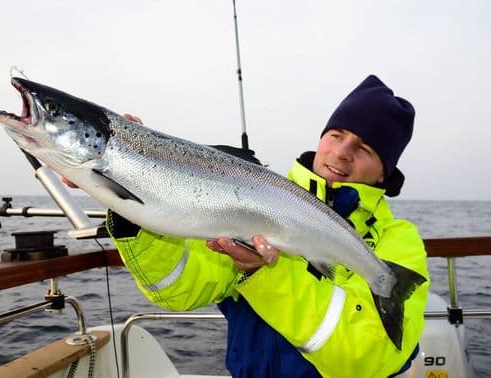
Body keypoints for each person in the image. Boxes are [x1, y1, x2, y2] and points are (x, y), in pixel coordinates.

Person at [71, 75, 430, 377]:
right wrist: (128, 198)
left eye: (364, 147)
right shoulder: (246, 196)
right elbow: (180, 290)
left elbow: (373, 357)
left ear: (385, 171)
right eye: (336, 135)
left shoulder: (397, 241)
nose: (341, 152)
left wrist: (265, 274)